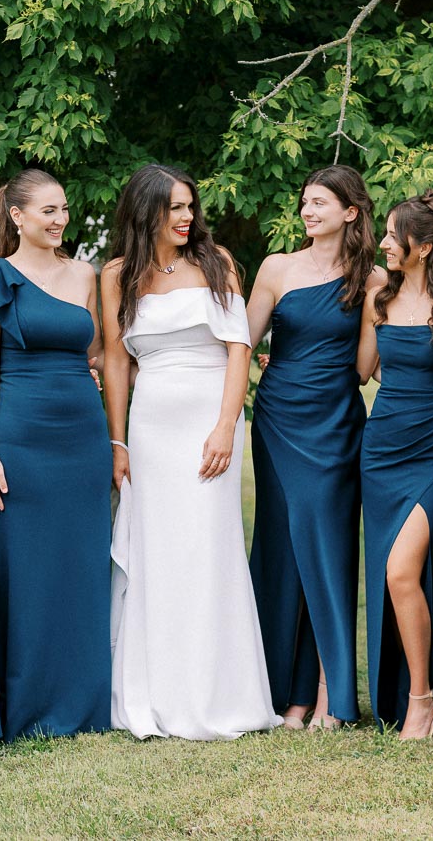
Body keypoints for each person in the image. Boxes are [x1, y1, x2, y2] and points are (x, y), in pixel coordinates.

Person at [102, 164, 281, 740]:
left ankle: (217, 693)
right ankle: (154, 690)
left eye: (188, 206)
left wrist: (228, 424)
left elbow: (238, 347)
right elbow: (116, 362)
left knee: (208, 548)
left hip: (208, 420)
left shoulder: (216, 262)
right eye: (173, 207)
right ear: (144, 211)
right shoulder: (116, 276)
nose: (185, 217)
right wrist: (118, 440)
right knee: (157, 552)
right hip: (151, 428)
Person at [0, 168, 111, 742]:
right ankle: (25, 702)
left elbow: (95, 350)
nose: (59, 220)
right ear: (18, 216)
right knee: (26, 570)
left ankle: (84, 701)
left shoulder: (85, 273)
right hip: (21, 433)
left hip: (82, 434)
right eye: (48, 210)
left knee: (82, 565)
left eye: (64, 210)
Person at [245, 164, 384, 729]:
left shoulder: (372, 278)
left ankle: (332, 692)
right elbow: (244, 341)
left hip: (334, 426)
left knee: (328, 551)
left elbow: (364, 368)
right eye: (305, 201)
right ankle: (285, 694)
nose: (308, 210)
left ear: (351, 212)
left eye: (321, 202)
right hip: (277, 421)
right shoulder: (277, 267)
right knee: (280, 550)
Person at [357, 190, 433, 738]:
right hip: (381, 449)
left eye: (391, 235)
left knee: (401, 570)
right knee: (392, 577)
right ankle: (419, 699)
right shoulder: (378, 292)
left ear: (424, 247)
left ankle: (423, 699)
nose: (382, 244)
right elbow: (367, 369)